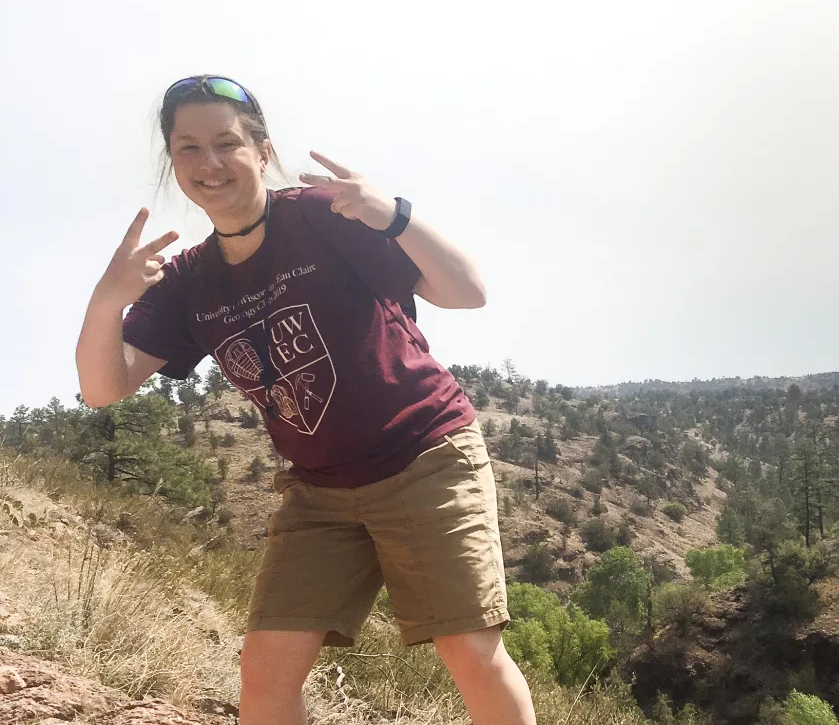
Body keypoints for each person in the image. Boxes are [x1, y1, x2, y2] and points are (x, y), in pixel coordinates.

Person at [74, 75, 537, 725]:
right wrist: (107, 300)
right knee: (265, 670)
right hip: (321, 491)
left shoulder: (322, 216)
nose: (209, 162)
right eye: (188, 148)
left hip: (424, 456)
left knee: (468, 648)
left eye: (226, 143)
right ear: (173, 163)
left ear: (262, 151)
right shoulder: (186, 282)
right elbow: (103, 388)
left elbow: (468, 292)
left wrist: (393, 214)